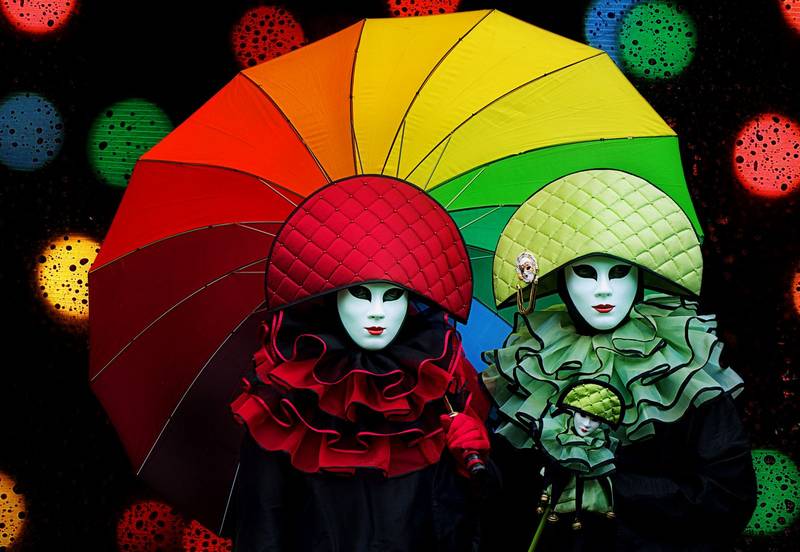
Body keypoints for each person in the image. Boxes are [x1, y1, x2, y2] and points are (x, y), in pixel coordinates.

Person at [480, 169, 756, 551]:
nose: (603, 289)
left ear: (641, 276)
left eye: (620, 272)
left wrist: (616, 492)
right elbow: (500, 504)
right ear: (561, 279)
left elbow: (729, 495)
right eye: (585, 272)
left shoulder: (682, 363)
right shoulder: (533, 361)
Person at [230, 176, 491, 552]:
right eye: (360, 293)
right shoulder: (286, 385)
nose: (377, 312)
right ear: (334, 292)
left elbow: (463, 524)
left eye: (393, 294)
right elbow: (263, 524)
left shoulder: (438, 374)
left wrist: (472, 470)